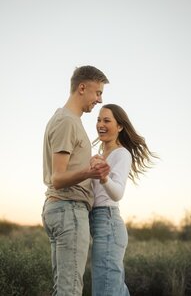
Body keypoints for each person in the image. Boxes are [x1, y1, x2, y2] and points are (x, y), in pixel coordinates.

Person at [41, 65, 110, 296]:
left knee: (63, 288)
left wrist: (88, 163)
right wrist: (89, 173)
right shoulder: (67, 121)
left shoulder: (67, 120)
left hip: (61, 209)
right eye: (97, 92)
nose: (99, 99)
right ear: (82, 88)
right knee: (70, 290)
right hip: (68, 209)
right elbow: (58, 178)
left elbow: (65, 170)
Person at [89, 104, 158, 296]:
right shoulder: (98, 156)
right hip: (99, 224)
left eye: (106, 120)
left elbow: (117, 193)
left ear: (119, 126)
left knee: (106, 290)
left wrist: (103, 176)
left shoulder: (122, 154)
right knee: (113, 289)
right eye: (98, 120)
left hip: (108, 223)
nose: (100, 124)